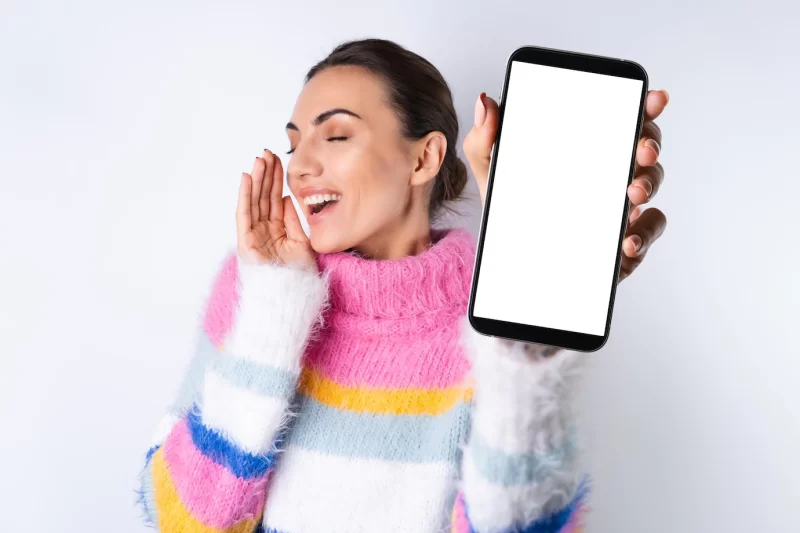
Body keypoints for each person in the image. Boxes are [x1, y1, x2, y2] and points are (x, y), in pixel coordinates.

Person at [135, 38, 668, 533]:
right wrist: (274, 314)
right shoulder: (262, 285)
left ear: (423, 158)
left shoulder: (493, 315)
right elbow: (180, 522)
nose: (299, 167)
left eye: (336, 135)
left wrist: (525, 339)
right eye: (294, 144)